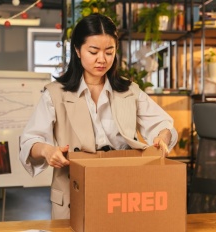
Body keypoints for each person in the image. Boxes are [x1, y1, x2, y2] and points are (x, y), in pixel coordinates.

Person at [19, 13, 178, 220]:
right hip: (74, 190)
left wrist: (162, 137)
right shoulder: (55, 93)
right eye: (93, 51)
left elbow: (162, 125)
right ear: (77, 50)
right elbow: (30, 140)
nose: (102, 59)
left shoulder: (129, 91)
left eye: (109, 52)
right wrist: (48, 151)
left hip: (124, 190)